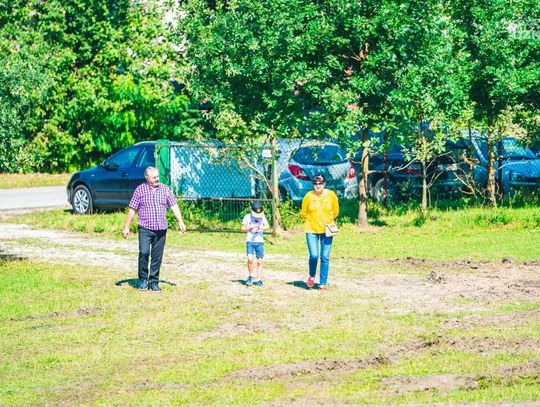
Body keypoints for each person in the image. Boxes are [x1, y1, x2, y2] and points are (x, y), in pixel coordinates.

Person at [122, 166, 186, 292]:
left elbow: (173, 205)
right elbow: (132, 209)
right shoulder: (140, 190)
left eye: (157, 176)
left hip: (161, 229)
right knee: (144, 252)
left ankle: (154, 282)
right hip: (145, 228)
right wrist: (126, 227)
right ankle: (143, 279)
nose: (157, 179)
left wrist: (180, 221)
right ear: (147, 178)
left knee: (157, 257)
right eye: (154, 177)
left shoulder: (165, 189)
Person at [300, 174, 339, 291]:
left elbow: (336, 211)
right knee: (314, 255)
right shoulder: (308, 196)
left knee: (325, 257)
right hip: (311, 229)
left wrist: (328, 221)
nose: (318, 185)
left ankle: (322, 284)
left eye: (320, 183)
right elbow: (303, 213)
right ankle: (312, 275)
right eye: (315, 183)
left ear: (324, 184)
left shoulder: (331, 195)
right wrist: (312, 220)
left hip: (327, 229)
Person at [241, 201, 269, 287]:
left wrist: (260, 227)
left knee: (259, 261)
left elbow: (267, 226)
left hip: (259, 242)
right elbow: (242, 229)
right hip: (250, 242)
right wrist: (249, 227)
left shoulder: (262, 217)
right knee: (250, 259)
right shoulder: (247, 217)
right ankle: (250, 276)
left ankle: (259, 279)